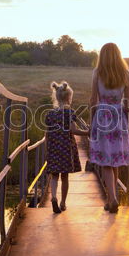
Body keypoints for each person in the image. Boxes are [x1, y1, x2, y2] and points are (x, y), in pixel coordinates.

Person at [89, 42, 129, 213]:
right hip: (119, 117)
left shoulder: (98, 73)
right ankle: (112, 198)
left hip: (102, 116)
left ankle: (112, 199)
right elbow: (128, 101)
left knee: (106, 161)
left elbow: (93, 99)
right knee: (115, 160)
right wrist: (128, 123)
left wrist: (92, 122)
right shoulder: (126, 73)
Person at [44, 81, 85, 214]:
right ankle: (63, 203)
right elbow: (74, 130)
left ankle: (54, 197)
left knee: (54, 176)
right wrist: (88, 132)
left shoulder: (50, 114)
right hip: (66, 148)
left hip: (54, 148)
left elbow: (47, 133)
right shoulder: (69, 113)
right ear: (69, 98)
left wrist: (47, 149)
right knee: (65, 177)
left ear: (56, 97)